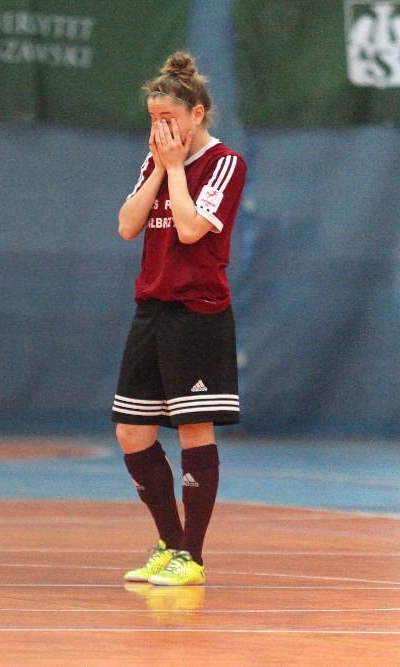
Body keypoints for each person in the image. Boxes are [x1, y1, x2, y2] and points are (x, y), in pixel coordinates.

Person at [112, 52, 247, 586]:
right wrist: (159, 169)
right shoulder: (154, 163)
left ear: (196, 114)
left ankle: (192, 556)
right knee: (131, 432)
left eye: (168, 118)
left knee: (193, 428)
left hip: (198, 312)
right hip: (152, 308)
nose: (160, 130)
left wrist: (173, 169)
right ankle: (169, 543)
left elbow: (190, 229)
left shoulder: (225, 163)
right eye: (153, 119)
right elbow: (127, 226)